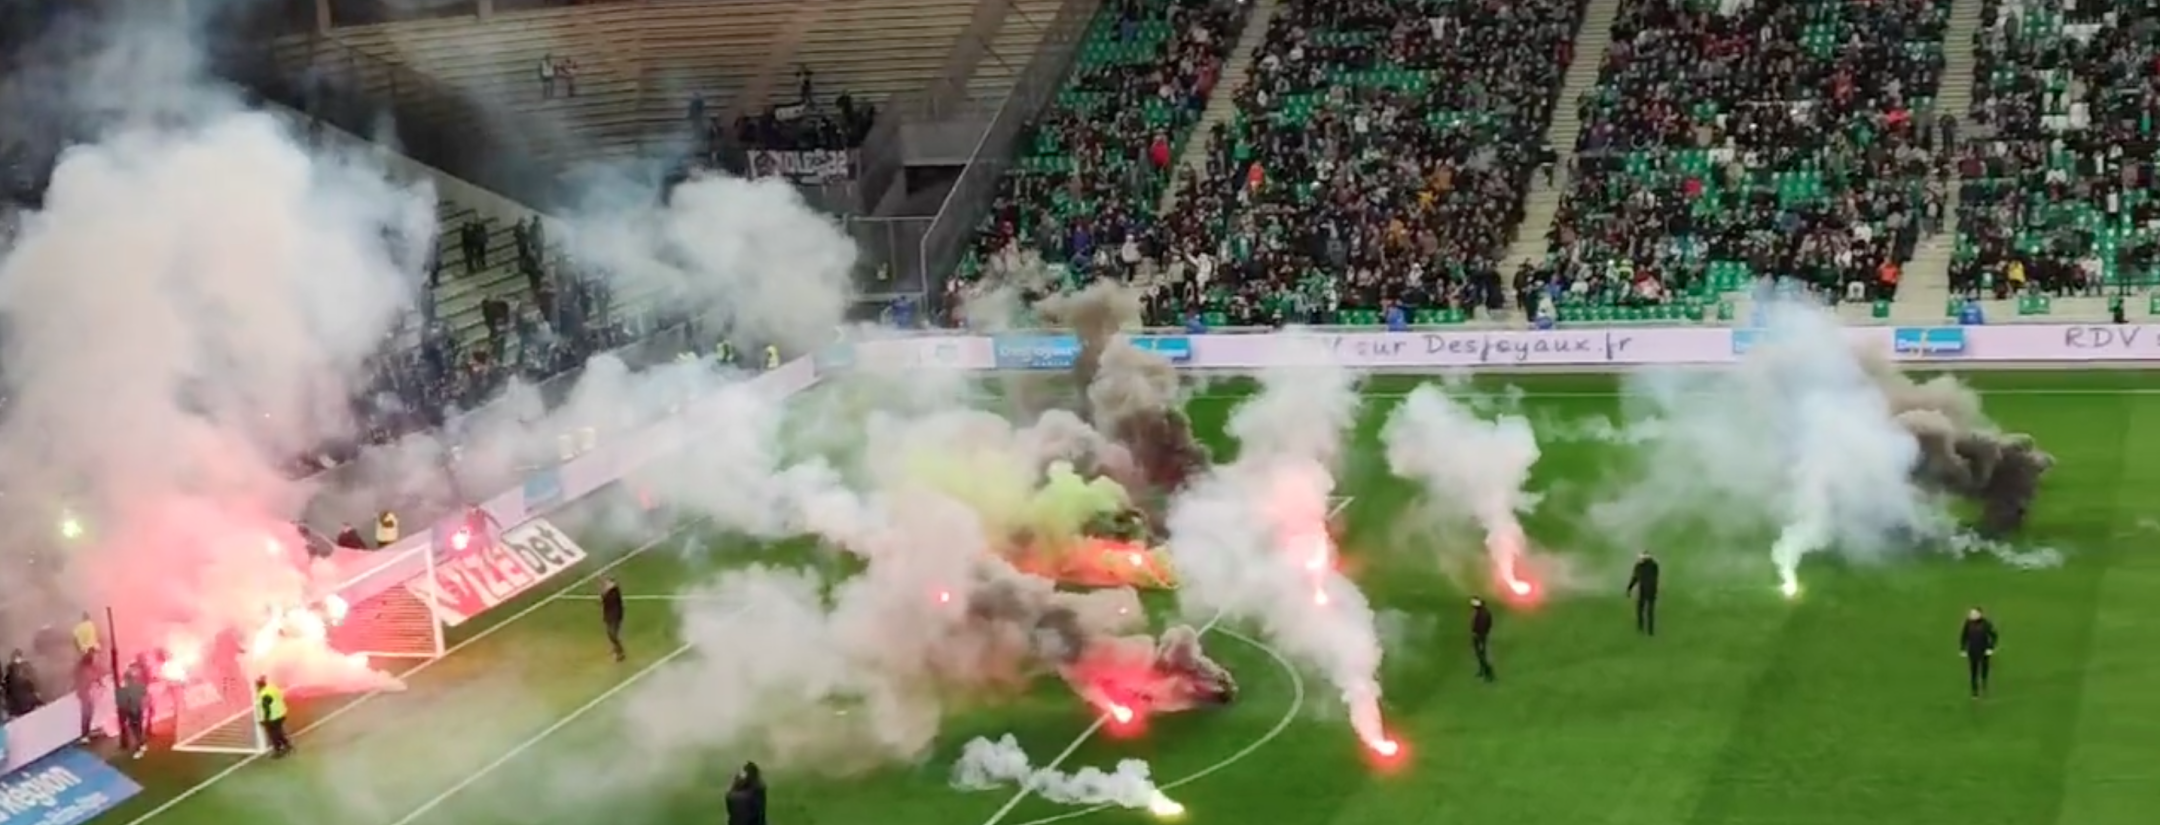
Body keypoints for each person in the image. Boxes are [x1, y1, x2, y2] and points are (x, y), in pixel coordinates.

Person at [1960, 607, 1998, 699]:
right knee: (1973, 671)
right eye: (1971, 614)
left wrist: (1990, 648)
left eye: (1974, 614)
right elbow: (1964, 636)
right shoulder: (1968, 624)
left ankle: (1984, 681)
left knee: (1984, 668)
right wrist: (1963, 649)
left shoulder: (1986, 624)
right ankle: (1974, 691)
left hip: (1983, 650)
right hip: (1972, 651)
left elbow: (1994, 635)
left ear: (1980, 614)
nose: (1971, 615)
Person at [116, 663, 148, 758]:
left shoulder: (127, 688)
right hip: (138, 710)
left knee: (135, 731)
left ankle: (139, 749)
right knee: (138, 729)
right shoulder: (139, 685)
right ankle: (142, 745)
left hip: (133, 711)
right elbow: (144, 696)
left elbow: (123, 702)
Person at [256, 676, 293, 757]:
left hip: (273, 717)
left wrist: (265, 720)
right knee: (278, 731)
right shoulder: (272, 688)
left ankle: (278, 750)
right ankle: (287, 745)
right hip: (281, 712)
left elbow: (267, 709)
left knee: (273, 734)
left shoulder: (264, 694)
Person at [1626, 551, 1661, 636]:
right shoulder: (1654, 566)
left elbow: (1635, 578)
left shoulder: (1640, 566)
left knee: (1641, 610)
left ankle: (1641, 628)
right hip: (1651, 590)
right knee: (1649, 611)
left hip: (1644, 590)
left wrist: (1629, 588)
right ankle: (1650, 630)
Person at [1470, 597, 1496, 683]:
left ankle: (1489, 674)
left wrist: (1478, 633)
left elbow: (1483, 625)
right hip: (1480, 635)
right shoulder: (1482, 612)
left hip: (1480, 636)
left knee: (1482, 654)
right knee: (1480, 654)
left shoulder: (1482, 614)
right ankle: (1483, 670)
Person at [600, 577, 626, 662]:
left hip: (615, 615)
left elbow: (609, 601)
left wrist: (604, 594)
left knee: (612, 634)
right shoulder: (608, 592)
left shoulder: (614, 592)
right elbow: (604, 603)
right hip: (609, 615)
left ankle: (620, 653)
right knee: (610, 634)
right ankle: (617, 650)